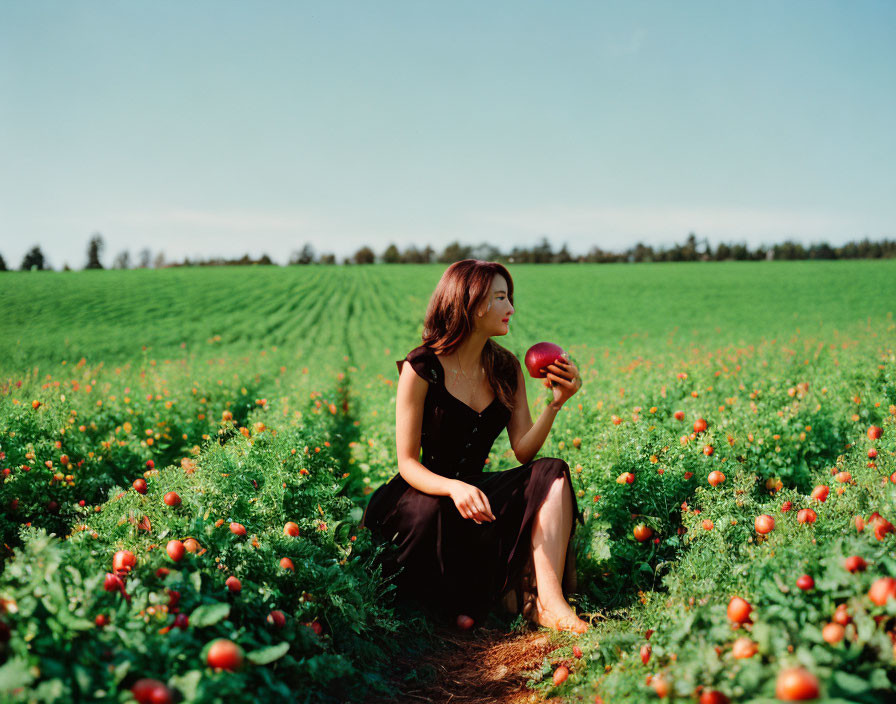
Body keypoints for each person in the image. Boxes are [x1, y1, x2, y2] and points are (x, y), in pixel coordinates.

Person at [359, 259, 588, 634]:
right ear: (470, 302)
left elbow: (523, 450)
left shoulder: (505, 368)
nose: (511, 308)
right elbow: (406, 463)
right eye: (500, 297)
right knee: (431, 512)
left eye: (509, 297)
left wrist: (556, 403)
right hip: (423, 488)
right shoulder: (422, 367)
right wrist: (453, 487)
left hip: (475, 485)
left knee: (551, 471)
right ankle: (462, 599)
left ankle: (547, 602)